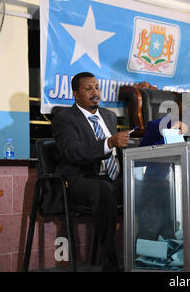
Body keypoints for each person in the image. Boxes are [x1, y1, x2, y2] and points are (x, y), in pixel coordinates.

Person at [52, 72, 131, 272]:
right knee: (104, 190)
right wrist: (109, 142)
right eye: (88, 88)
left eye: (97, 87)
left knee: (147, 184)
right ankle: (110, 265)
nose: (95, 92)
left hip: (111, 178)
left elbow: (118, 150)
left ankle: (150, 254)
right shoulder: (64, 118)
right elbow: (73, 152)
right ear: (76, 94)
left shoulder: (109, 116)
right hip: (79, 180)